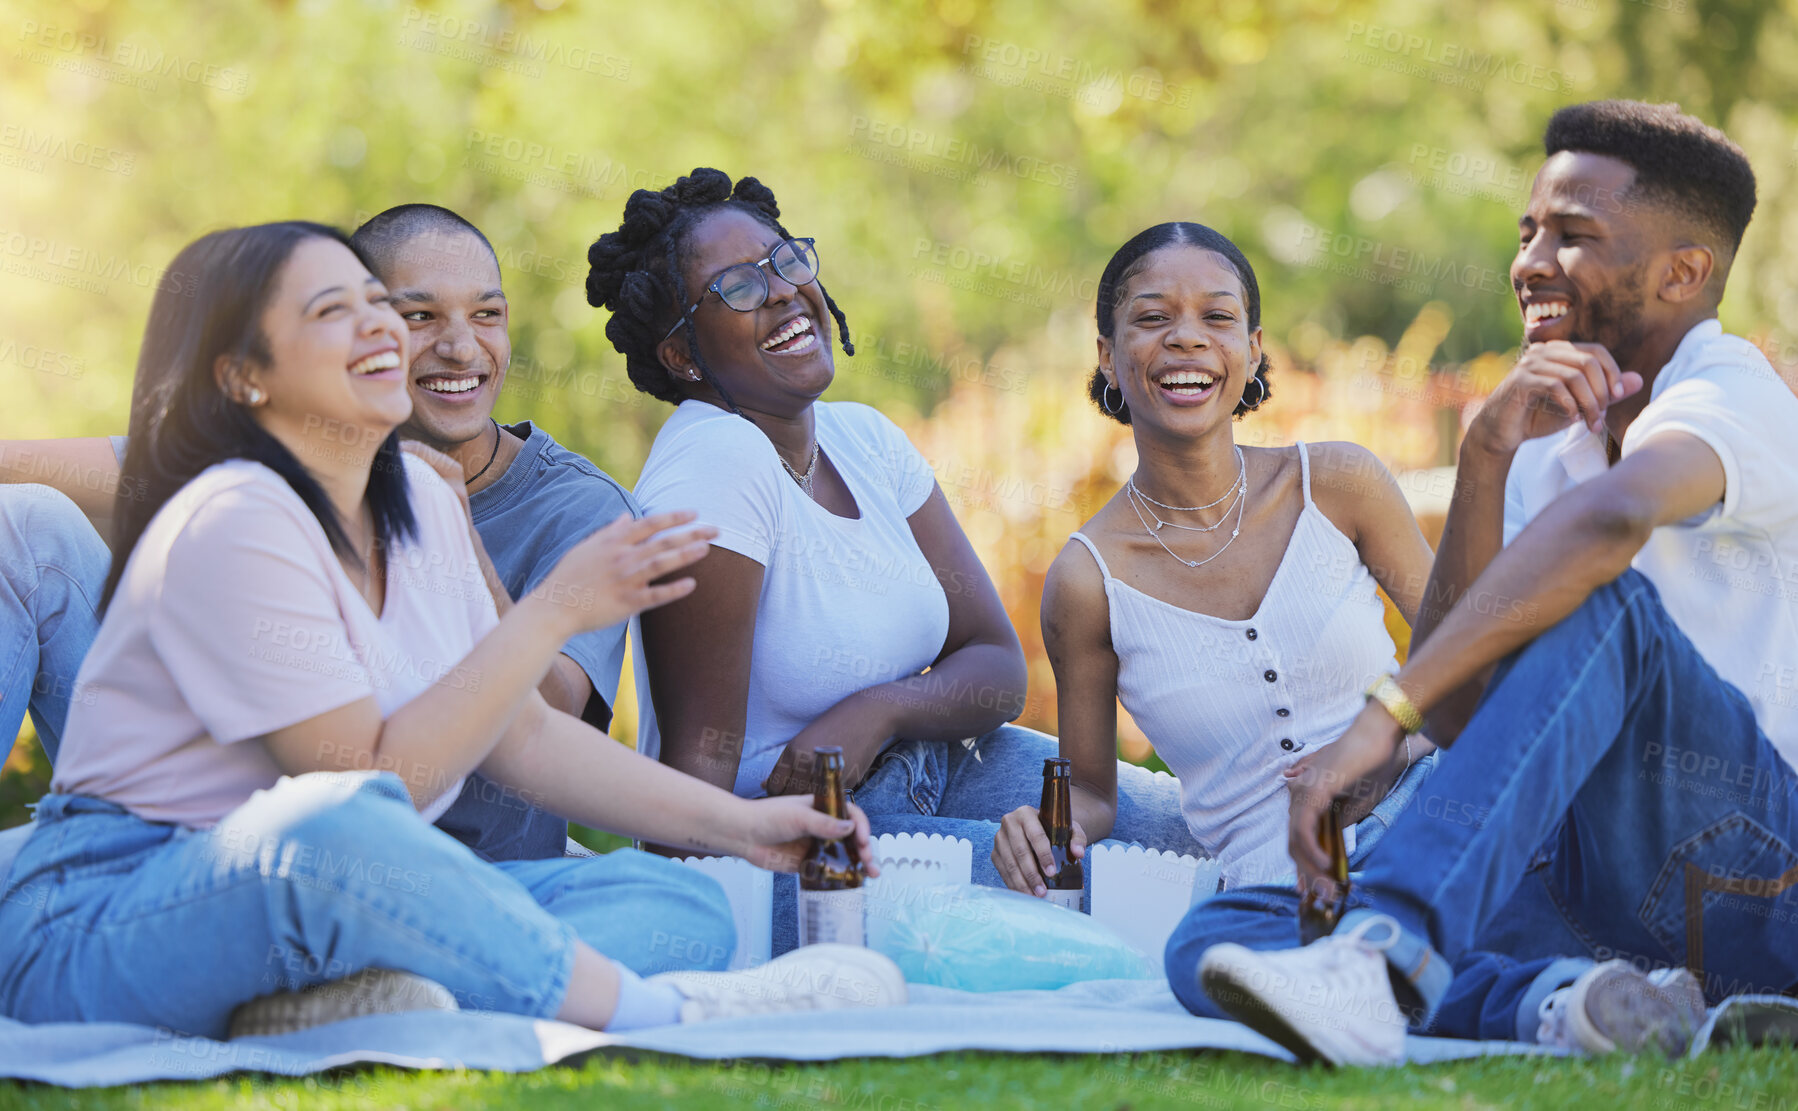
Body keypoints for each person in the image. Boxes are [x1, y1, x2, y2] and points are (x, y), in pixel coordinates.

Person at [0, 220, 904, 1038]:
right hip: (115, 907)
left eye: (372, 303)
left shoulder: (425, 501)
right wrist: (555, 608)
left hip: (350, 892)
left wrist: (744, 826)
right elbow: (371, 784)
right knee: (340, 829)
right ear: (245, 377)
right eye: (335, 311)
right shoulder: (235, 515)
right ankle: (667, 1009)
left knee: (673, 902)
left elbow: (527, 735)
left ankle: (338, 998)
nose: (383, 330)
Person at [1170, 100, 1798, 1066]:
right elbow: (1459, 711)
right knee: (1220, 937)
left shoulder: (1729, 392)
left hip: (1747, 866)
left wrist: (1382, 718)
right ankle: (1578, 1002)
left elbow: (1610, 527)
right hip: (1589, 883)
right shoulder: (1548, 441)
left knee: (1604, 603)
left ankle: (1382, 963)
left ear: (1684, 272)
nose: (1532, 262)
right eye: (1528, 231)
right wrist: (1486, 452)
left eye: (1575, 235)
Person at [585, 170, 1202, 950]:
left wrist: (875, 712)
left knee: (1208, 838)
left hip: (943, 762)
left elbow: (997, 670)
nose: (782, 293)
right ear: (681, 354)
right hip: (799, 842)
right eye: (738, 287)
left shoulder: (863, 439)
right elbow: (691, 795)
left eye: (787, 262)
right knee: (1113, 901)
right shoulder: (716, 460)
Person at [0, 204, 637, 864]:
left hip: (472, 868)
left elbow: (544, 726)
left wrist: (453, 531)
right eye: (418, 316)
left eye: (486, 315)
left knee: (673, 908)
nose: (461, 347)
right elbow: (88, 463)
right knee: (23, 527)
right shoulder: (282, 452)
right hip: (274, 844)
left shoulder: (577, 505)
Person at [991, 223, 1438, 900]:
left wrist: (1389, 745)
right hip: (1274, 892)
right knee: (1197, 964)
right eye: (1152, 317)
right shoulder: (1087, 581)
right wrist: (1036, 826)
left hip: (1440, 817)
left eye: (1218, 316)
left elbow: (1472, 658)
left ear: (1253, 351)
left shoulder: (1340, 484)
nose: (1187, 337)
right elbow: (1090, 797)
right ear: (1109, 357)